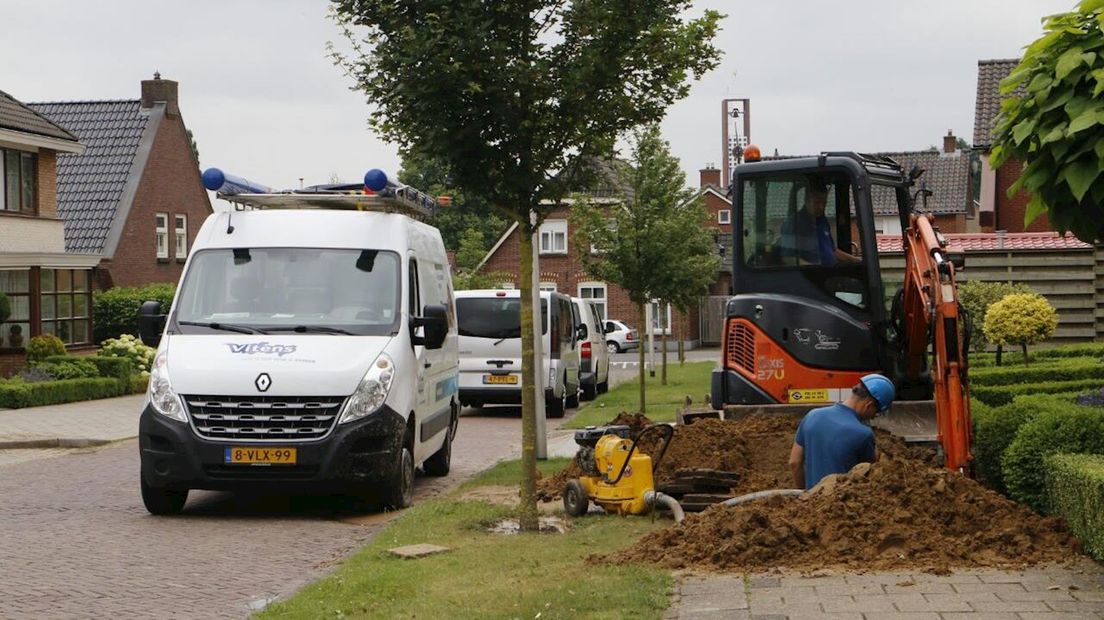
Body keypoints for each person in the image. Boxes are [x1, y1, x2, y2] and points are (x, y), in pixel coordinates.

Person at [788, 373, 896, 489]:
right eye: (876, 413)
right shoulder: (863, 434)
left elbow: (794, 463)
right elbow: (868, 478)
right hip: (841, 505)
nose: (873, 417)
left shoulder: (812, 415)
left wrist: (805, 494)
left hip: (811, 503)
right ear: (868, 405)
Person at [780, 179, 860, 266]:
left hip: (829, 274)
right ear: (807, 200)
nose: (821, 207)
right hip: (810, 277)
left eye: (824, 203)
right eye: (817, 203)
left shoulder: (823, 221)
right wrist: (815, 269)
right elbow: (788, 258)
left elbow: (832, 250)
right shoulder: (793, 223)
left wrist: (855, 260)